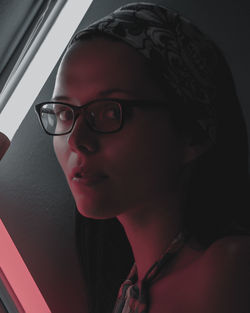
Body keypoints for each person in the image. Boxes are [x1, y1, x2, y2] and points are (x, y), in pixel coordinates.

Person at [35, 3, 250, 313]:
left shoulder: (230, 270)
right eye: (65, 113)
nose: (77, 141)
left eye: (111, 112)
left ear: (193, 133)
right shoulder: (135, 285)